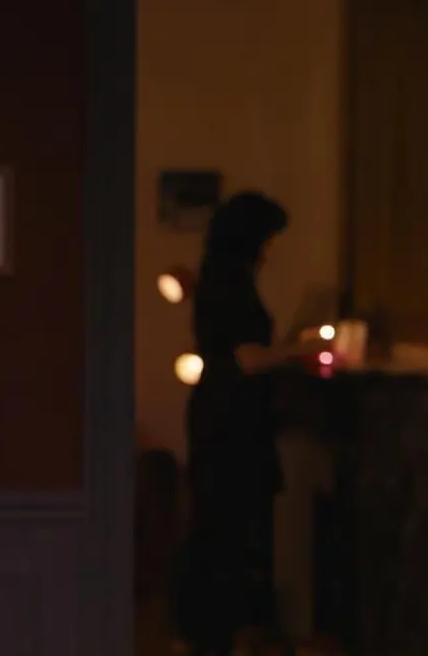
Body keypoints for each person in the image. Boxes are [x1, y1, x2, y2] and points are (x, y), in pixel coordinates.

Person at [176, 192, 319, 656]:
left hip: (223, 415)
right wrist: (300, 349)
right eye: (267, 240)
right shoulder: (228, 284)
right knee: (227, 523)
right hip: (230, 420)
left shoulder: (220, 279)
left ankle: (212, 632)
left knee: (220, 521)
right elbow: (246, 357)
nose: (269, 251)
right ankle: (217, 633)